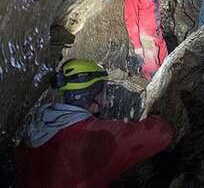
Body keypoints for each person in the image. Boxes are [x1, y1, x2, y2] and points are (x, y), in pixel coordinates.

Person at [15, 59, 174, 188]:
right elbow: (162, 135)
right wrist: (155, 114)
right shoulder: (95, 134)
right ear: (93, 94)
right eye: (102, 91)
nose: (105, 99)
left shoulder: (37, 126)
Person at [123, 0, 168, 81]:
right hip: (146, 39)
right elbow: (130, 19)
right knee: (153, 74)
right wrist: (137, 46)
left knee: (166, 65)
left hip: (157, 33)